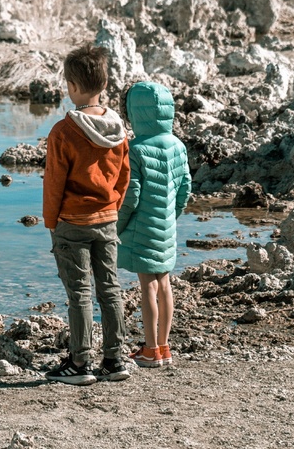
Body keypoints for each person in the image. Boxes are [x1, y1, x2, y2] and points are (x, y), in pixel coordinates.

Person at [42, 43, 131, 385]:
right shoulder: (118, 129)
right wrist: (112, 207)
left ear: (72, 87)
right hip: (107, 218)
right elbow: (124, 175)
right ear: (104, 85)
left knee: (78, 292)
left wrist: (52, 222)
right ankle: (115, 359)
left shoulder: (64, 131)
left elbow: (54, 184)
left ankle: (80, 364)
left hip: (72, 223)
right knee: (110, 288)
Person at [116, 80, 191, 368]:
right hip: (166, 225)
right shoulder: (178, 146)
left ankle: (149, 350)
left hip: (140, 228)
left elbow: (131, 195)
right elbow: (185, 188)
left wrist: (117, 227)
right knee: (164, 284)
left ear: (134, 113)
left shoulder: (135, 149)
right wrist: (171, 217)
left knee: (147, 285)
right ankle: (163, 346)